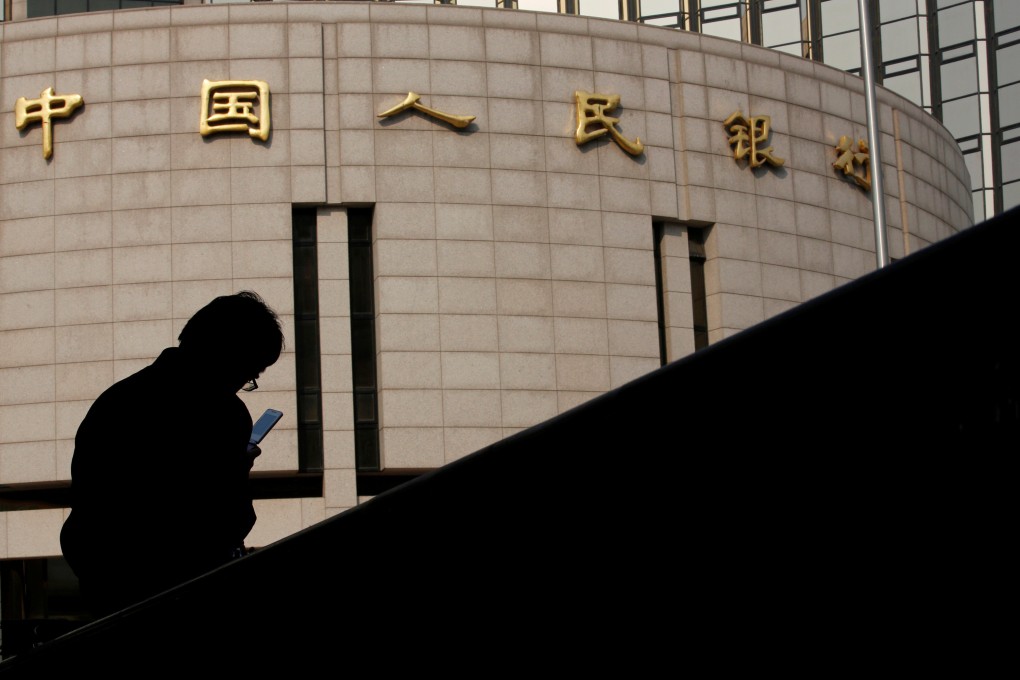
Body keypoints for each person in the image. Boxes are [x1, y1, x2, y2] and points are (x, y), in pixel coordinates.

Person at [60, 291, 284, 618]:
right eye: (250, 373)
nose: (243, 384)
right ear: (232, 357)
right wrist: (237, 470)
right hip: (182, 592)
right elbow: (223, 521)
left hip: (107, 589)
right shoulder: (221, 412)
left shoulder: (116, 401)